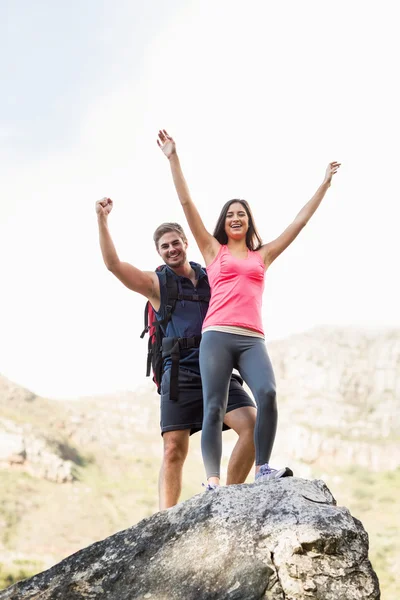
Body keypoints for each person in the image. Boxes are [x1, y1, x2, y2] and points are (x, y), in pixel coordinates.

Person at [157, 128, 340, 489]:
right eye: (230, 215)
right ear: (224, 223)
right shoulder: (213, 251)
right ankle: (212, 480)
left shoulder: (263, 255)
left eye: (241, 214)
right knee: (213, 406)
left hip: (251, 337)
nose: (235, 218)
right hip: (217, 336)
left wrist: (324, 185)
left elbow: (299, 222)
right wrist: (173, 157)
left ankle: (263, 467)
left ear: (248, 221)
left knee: (268, 394)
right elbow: (187, 204)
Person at [95, 199, 257, 508]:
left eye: (175, 243)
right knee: (173, 449)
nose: (171, 249)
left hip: (218, 368)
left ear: (186, 243)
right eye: (164, 246)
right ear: (159, 252)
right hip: (178, 373)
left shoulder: (213, 275)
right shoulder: (156, 284)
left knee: (252, 425)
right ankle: (164, 521)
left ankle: (227, 502)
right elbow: (114, 265)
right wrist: (102, 220)